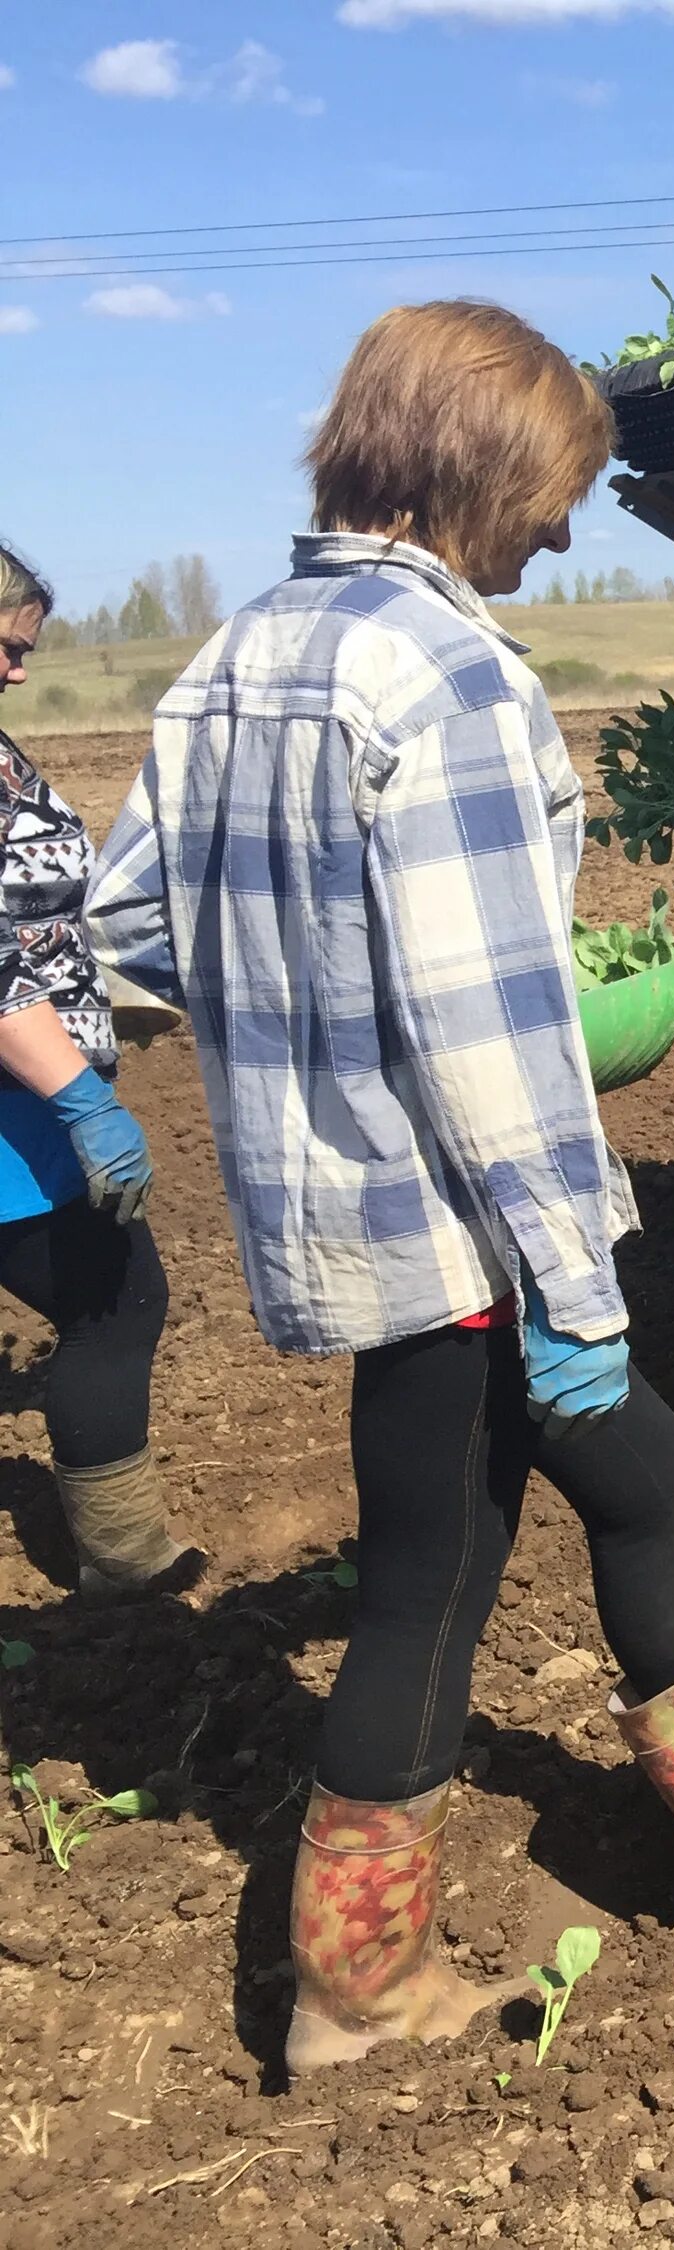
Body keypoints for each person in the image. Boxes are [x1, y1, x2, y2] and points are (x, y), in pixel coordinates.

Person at [83, 301, 674, 2076]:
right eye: (556, 493)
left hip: (339, 1210)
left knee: (637, 1468)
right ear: (476, 469)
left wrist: (295, 1029)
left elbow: (129, 944)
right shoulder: (451, 681)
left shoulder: (234, 657)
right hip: (463, 1225)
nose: (563, 536)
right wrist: (574, 1280)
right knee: (432, 1577)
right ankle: (355, 1995)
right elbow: (490, 1038)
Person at [0, 545, 193, 1599]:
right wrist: (77, 1094)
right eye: (7, 646)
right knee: (116, 1301)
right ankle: (124, 1561)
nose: (19, 671)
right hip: (16, 1103)